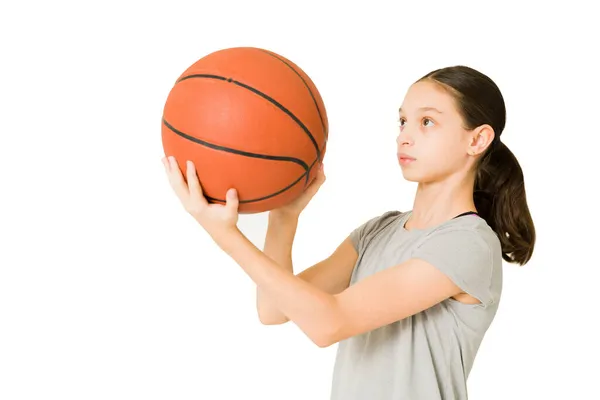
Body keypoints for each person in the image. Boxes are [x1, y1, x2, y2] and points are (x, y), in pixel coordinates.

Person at [162, 65, 536, 400]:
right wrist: (284, 217)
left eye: (427, 122)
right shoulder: (379, 230)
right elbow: (273, 309)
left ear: (477, 140)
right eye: (402, 121)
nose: (404, 136)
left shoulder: (469, 242)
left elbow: (329, 323)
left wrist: (226, 236)